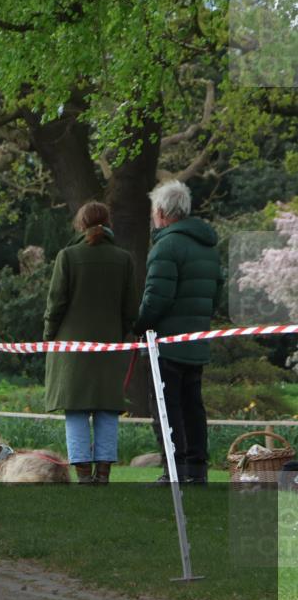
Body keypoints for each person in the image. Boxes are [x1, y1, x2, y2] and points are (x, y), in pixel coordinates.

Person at [133, 180, 223, 485]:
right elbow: (216, 295)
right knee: (193, 406)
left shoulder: (166, 246)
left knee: (165, 407)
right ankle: (196, 470)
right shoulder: (208, 247)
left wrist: (139, 324)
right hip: (197, 340)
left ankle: (174, 469)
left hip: (168, 343)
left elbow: (156, 296)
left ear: (160, 211)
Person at [43, 202, 138, 484]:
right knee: (107, 408)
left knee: (76, 410)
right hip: (109, 348)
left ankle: (84, 476)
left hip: (71, 350)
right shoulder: (124, 259)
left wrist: (49, 336)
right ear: (107, 223)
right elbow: (130, 308)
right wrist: (119, 336)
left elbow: (55, 303)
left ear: (80, 224)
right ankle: (104, 475)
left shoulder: (68, 256)